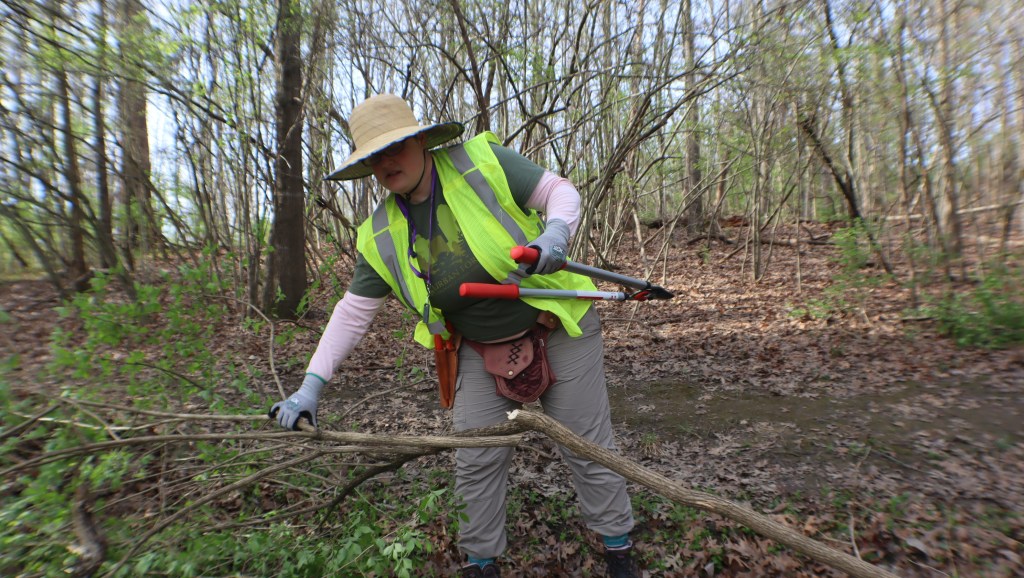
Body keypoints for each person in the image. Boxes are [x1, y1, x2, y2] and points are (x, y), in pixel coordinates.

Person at [269, 93, 641, 578]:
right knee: (475, 456)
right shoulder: (380, 233)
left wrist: (554, 236)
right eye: (373, 157)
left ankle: (618, 550)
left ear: (421, 141)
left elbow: (560, 192)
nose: (386, 163)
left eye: (396, 147)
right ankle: (480, 563)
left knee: (586, 445)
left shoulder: (479, 164)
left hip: (557, 321)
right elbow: (352, 313)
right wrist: (310, 387)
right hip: (475, 347)